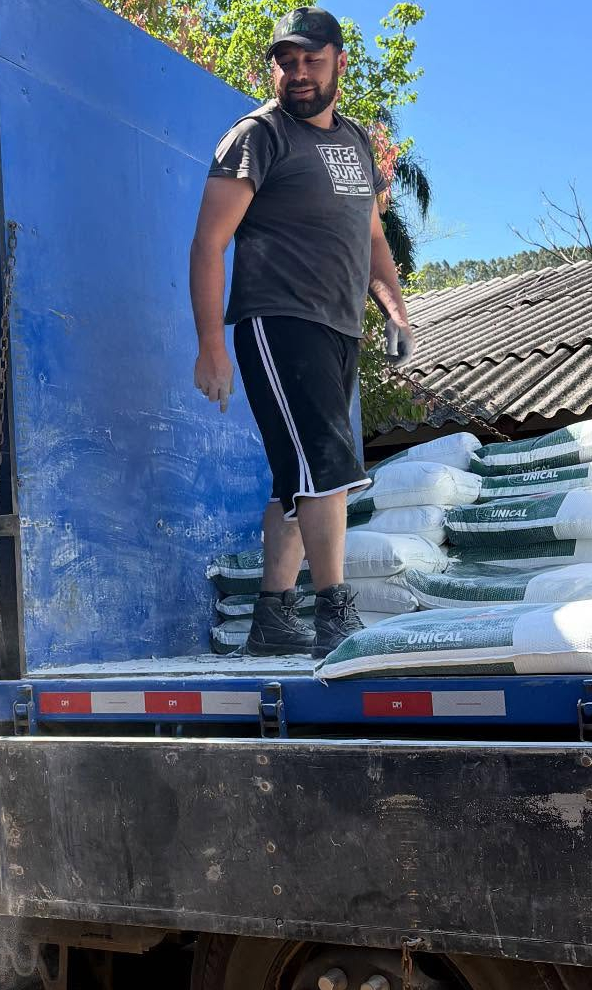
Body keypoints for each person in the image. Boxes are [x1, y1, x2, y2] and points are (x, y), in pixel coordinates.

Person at [189, 6, 415, 658]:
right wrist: (210, 344)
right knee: (327, 470)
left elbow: (372, 239)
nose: (298, 72)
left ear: (340, 62)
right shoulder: (258, 135)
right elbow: (208, 243)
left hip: (339, 326)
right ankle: (335, 617)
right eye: (286, 60)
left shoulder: (354, 143)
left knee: (297, 482)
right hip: (278, 318)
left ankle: (274, 617)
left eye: (312, 59)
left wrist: (397, 314)